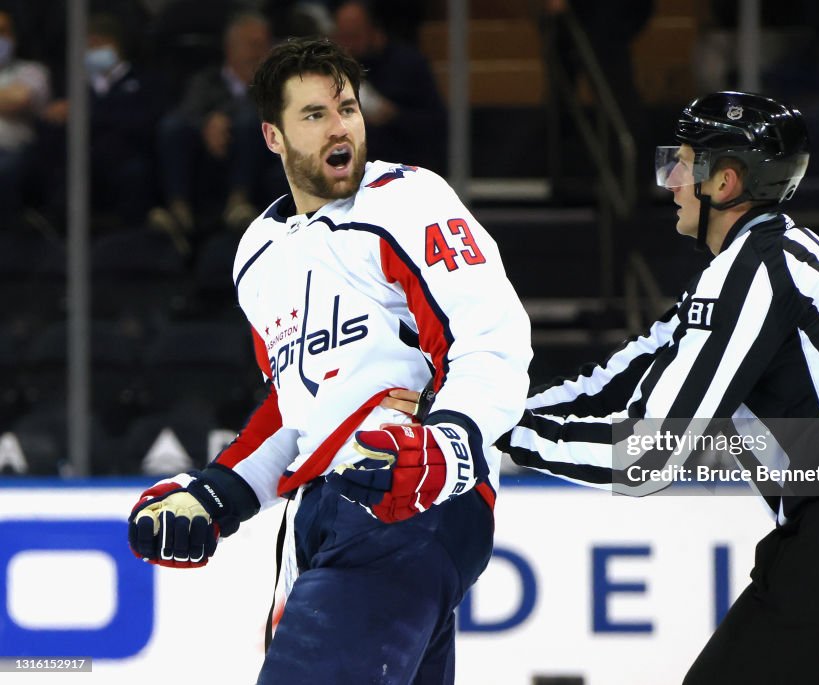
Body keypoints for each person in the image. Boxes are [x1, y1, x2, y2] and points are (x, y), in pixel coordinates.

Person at [389, 91, 819, 684]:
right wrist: (472, 408)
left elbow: (650, 454)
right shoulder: (790, 255)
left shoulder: (748, 273)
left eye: (682, 163)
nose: (671, 180)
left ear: (725, 183)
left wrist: (480, 433)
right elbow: (617, 379)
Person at [126, 36, 531, 683]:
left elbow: (490, 341)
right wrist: (214, 494)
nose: (339, 124)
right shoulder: (258, 253)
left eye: (347, 106)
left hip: (405, 510)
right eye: (314, 114)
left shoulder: (408, 201)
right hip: (319, 521)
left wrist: (448, 443)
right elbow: (294, 407)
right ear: (273, 136)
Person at [150, 11, 279, 238]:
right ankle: (179, 208)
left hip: (256, 150)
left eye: (264, 45)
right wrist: (207, 124)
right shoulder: (205, 80)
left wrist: (222, 117)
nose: (260, 53)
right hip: (205, 150)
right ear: (230, 49)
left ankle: (238, 202)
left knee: (250, 122)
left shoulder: (274, 84)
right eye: (253, 45)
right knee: (172, 127)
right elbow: (188, 111)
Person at [40, 13, 160, 230]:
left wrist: (87, 113)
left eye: (97, 43)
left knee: (135, 173)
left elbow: (141, 121)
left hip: (125, 155)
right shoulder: (75, 85)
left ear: (115, 45)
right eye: (87, 45)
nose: (91, 51)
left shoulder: (142, 81)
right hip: (85, 157)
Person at [333, 0, 447, 172]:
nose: (347, 45)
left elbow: (436, 126)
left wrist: (393, 115)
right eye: (343, 37)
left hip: (404, 165)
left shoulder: (409, 65)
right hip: (353, 169)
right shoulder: (338, 69)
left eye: (354, 36)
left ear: (374, 30)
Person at [0, 7, 49, 226]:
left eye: (2, 32)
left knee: (6, 170)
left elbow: (18, 101)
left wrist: (10, 99)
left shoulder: (31, 71)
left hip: (16, 151)